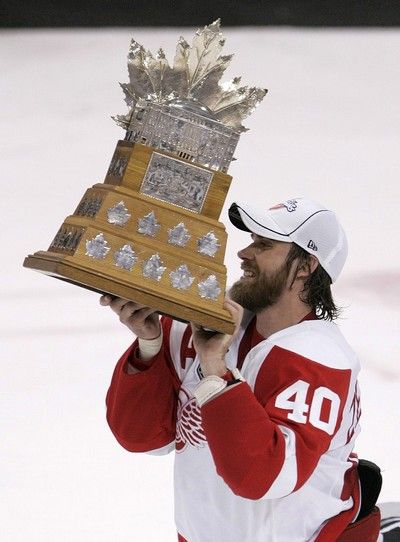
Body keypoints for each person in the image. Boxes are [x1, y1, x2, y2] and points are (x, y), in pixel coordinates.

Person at [102, 197, 381, 542]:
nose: (244, 253)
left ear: (306, 266)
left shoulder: (318, 360)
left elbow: (262, 476)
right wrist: (149, 347)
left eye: (263, 244)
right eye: (251, 241)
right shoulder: (201, 325)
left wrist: (216, 373)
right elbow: (142, 439)